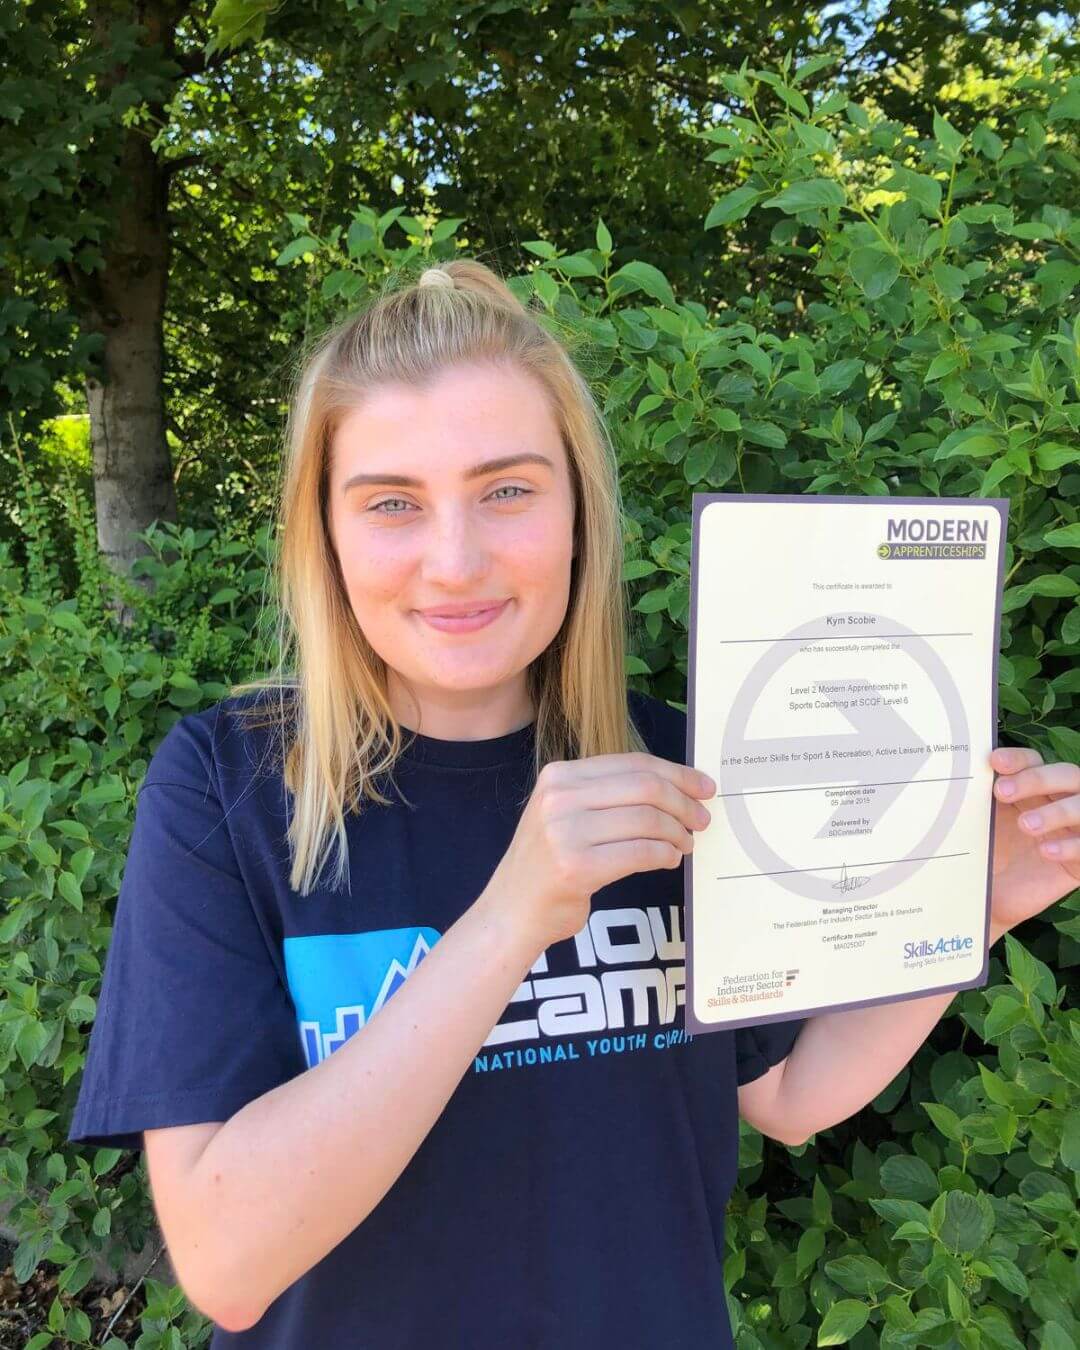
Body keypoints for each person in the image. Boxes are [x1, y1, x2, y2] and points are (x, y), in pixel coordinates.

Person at [67, 260, 1080, 1349]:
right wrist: (508, 920)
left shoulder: (685, 767)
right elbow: (227, 1261)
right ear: (326, 534)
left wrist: (976, 901)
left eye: (507, 490)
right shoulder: (230, 786)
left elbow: (785, 1091)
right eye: (392, 504)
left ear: (578, 513)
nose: (453, 562)